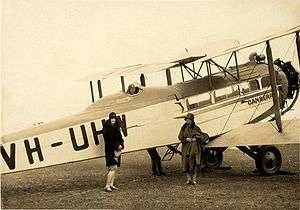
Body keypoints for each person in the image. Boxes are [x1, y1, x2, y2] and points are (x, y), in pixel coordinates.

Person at [178, 113, 202, 185]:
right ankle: (188, 179)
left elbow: (201, 136)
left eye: (189, 120)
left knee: (194, 163)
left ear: (192, 120)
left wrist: (196, 139)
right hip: (186, 147)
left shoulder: (197, 128)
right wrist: (186, 139)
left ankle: (194, 179)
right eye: (187, 120)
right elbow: (180, 137)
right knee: (186, 163)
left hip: (194, 148)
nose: (188, 121)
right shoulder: (183, 128)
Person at [102, 112, 124, 192]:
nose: (113, 120)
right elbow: (109, 140)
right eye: (112, 118)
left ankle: (111, 184)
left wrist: (121, 144)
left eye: (114, 118)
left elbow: (120, 137)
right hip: (110, 150)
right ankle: (107, 185)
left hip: (116, 149)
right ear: (110, 118)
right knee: (112, 168)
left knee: (115, 167)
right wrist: (117, 145)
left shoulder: (116, 127)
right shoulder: (107, 128)